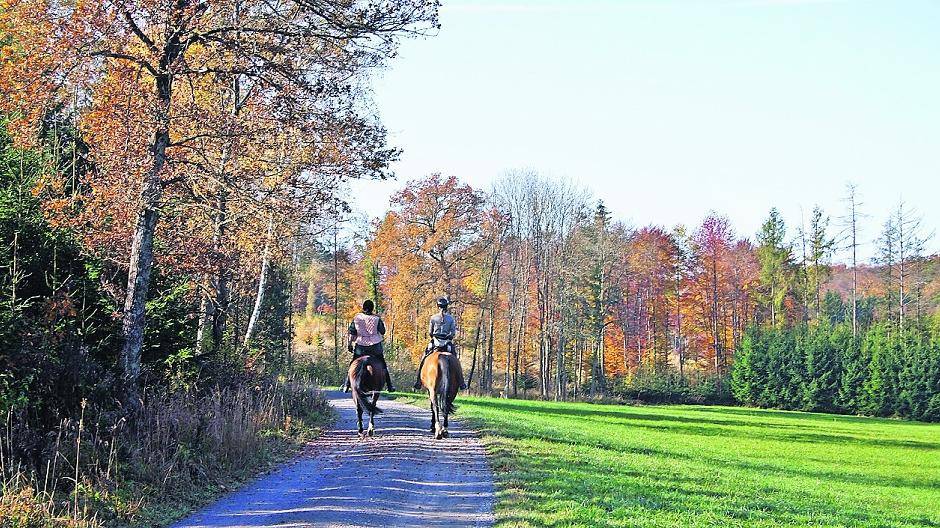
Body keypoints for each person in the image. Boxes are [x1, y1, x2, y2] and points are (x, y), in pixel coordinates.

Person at [341, 300, 395, 392]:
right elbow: (383, 331)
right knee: (383, 364)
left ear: (363, 307)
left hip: (361, 346)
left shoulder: (357, 318)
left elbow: (352, 332)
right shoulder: (376, 319)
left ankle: (347, 384)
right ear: (372, 308)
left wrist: (349, 344)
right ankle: (390, 386)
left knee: (353, 363)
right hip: (375, 346)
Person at [413, 297, 466, 390]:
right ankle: (461, 382)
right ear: (446, 307)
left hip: (435, 342)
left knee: (424, 357)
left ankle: (418, 381)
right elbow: (452, 333)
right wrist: (448, 336)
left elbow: (430, 332)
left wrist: (435, 336)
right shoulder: (450, 318)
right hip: (447, 343)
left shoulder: (433, 318)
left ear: (438, 306)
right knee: (455, 360)